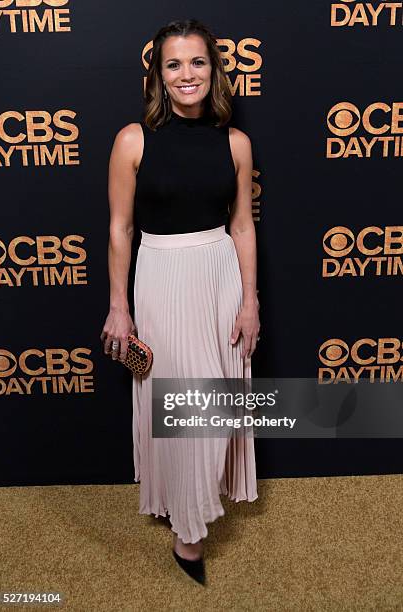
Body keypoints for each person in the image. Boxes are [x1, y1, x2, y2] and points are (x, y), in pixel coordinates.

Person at [100, 18, 260, 585]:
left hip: (220, 273)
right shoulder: (132, 140)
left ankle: (191, 502)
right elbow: (121, 229)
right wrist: (119, 306)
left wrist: (251, 301)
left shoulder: (235, 143)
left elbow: (241, 226)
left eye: (197, 62)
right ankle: (188, 536)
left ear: (213, 70)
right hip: (162, 275)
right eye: (174, 64)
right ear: (158, 75)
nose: (187, 74)